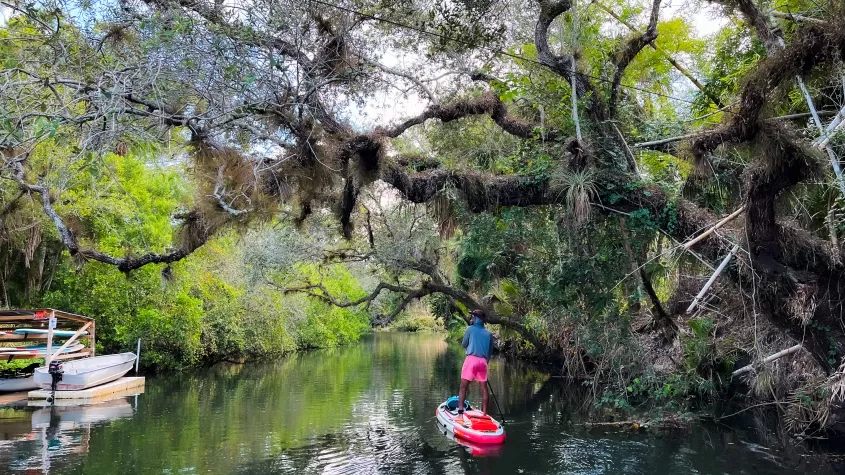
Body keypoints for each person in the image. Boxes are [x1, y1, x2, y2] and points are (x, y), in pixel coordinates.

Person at [457, 308, 493, 421]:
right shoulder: (488, 333)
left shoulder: (470, 329)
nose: (471, 318)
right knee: (484, 388)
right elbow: (490, 352)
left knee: (463, 387)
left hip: (471, 360)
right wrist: (485, 362)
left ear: (477, 319)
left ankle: (460, 413)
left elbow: (464, 344)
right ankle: (485, 414)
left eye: (473, 317)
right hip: (483, 362)